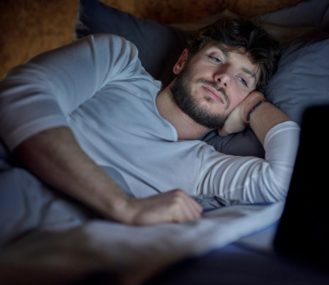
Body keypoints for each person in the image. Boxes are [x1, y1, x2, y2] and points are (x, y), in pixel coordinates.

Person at [0, 17, 299, 241]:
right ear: (182, 61)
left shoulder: (203, 168)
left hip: (56, 236)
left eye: (243, 80)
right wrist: (123, 206)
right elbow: (18, 95)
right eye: (216, 58)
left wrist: (256, 108)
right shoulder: (118, 62)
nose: (223, 78)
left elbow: (287, 180)